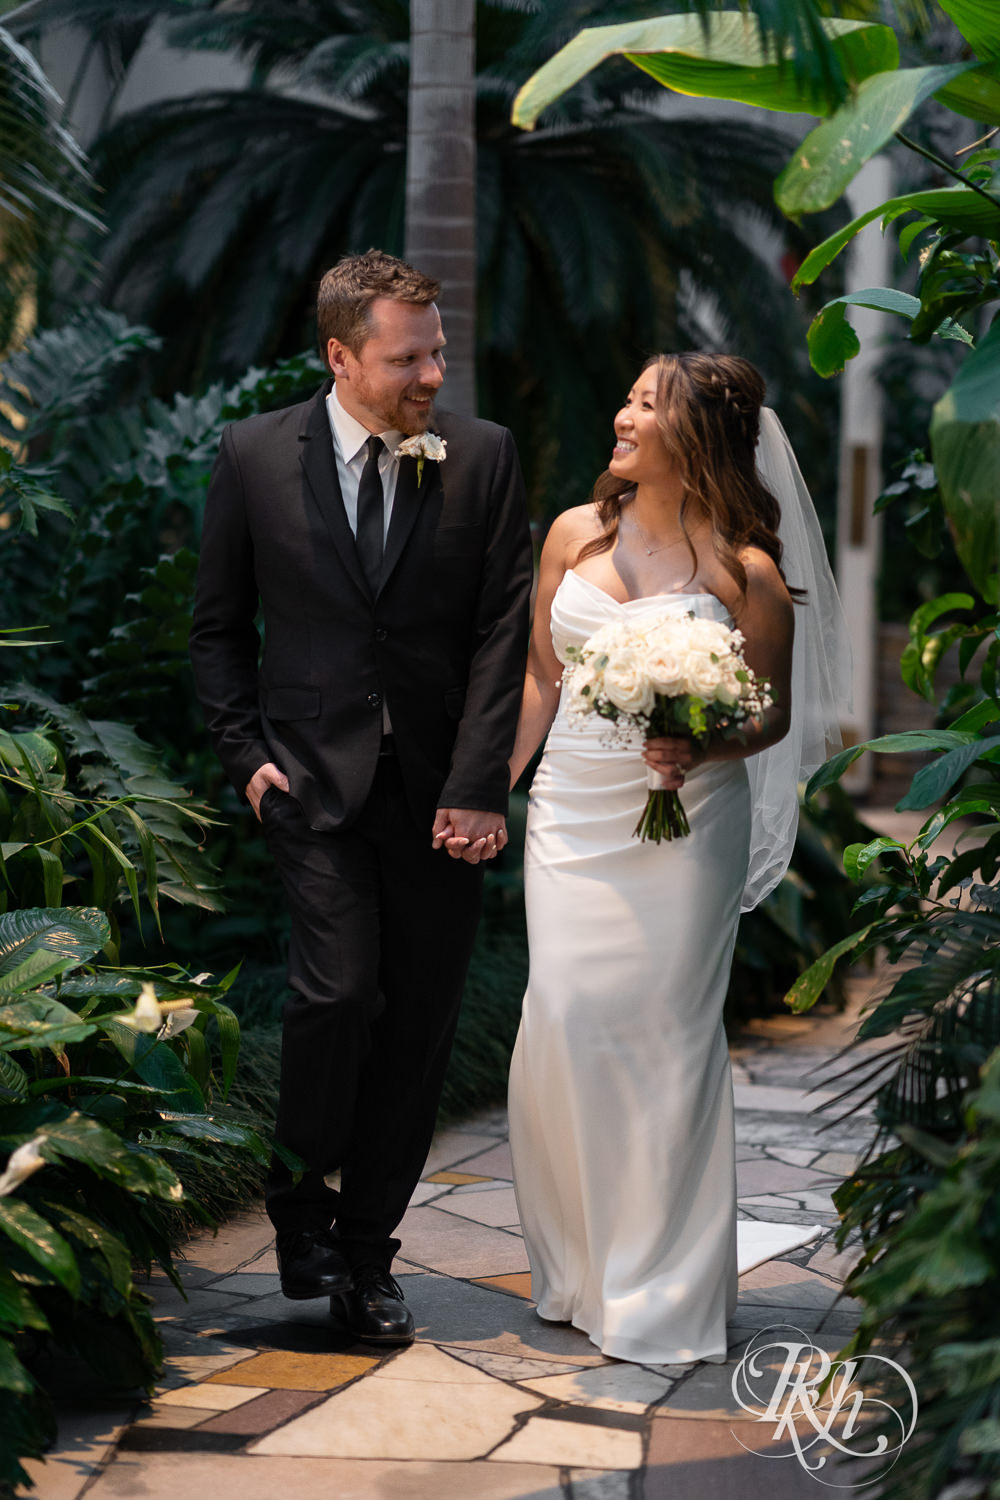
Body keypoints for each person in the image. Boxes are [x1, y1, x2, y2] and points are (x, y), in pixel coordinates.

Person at [190, 250, 533, 1346]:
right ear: (340, 357)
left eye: (436, 351)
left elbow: (500, 635)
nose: (432, 374)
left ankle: (368, 1258)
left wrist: (481, 784)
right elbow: (215, 626)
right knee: (336, 997)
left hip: (442, 793)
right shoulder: (252, 455)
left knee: (418, 1026)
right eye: (406, 358)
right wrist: (245, 752)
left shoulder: (482, 458)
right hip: (310, 781)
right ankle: (299, 1205)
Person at [506, 352, 849, 1365]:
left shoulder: (743, 574)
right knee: (563, 1020)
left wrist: (699, 741)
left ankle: (658, 1293)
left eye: (645, 405)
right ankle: (578, 1268)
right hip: (571, 811)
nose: (621, 415)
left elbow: (773, 718)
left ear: (692, 438)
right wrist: (489, 787)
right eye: (628, 396)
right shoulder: (575, 533)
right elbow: (539, 673)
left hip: (686, 823)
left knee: (662, 1041)